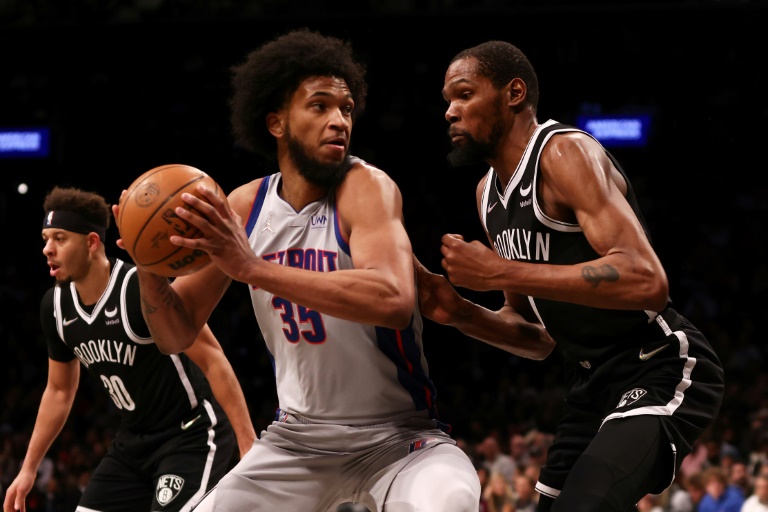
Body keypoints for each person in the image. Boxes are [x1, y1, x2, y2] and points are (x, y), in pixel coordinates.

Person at [117, 28, 481, 512]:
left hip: (399, 438)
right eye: (319, 106)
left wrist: (253, 268)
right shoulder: (244, 207)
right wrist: (147, 266)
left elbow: (392, 299)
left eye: (346, 109)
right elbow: (174, 334)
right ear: (276, 123)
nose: (339, 121)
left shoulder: (365, 187)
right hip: (296, 440)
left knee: (449, 502)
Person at [416, 39, 725, 511]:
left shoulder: (563, 153)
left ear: (513, 93)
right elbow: (537, 338)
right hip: (588, 385)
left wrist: (501, 270)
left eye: (464, 94)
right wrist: (460, 313)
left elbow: (647, 280)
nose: (450, 112)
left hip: (658, 362)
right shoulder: (486, 196)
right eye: (448, 101)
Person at [3, 186, 256, 512]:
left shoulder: (140, 287)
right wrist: (28, 468)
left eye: (60, 239)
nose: (47, 249)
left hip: (190, 434)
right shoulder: (54, 306)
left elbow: (212, 359)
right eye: (45, 239)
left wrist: (248, 444)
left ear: (92, 242)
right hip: (133, 441)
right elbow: (59, 390)